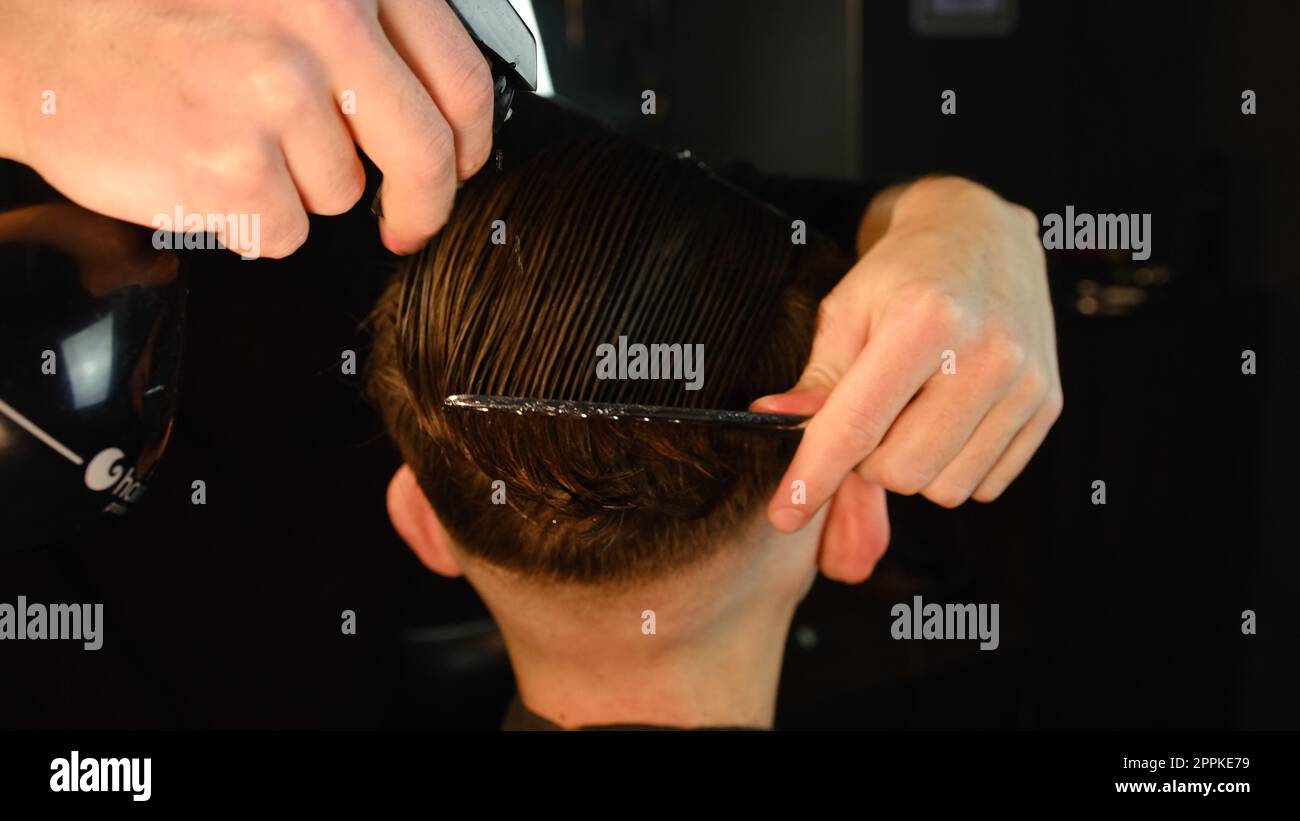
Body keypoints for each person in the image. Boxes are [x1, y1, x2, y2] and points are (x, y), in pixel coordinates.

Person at [0, 0, 1061, 584]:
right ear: (848, 520)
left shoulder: (471, 159)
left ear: (422, 522)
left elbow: (698, 240)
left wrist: (947, 220)